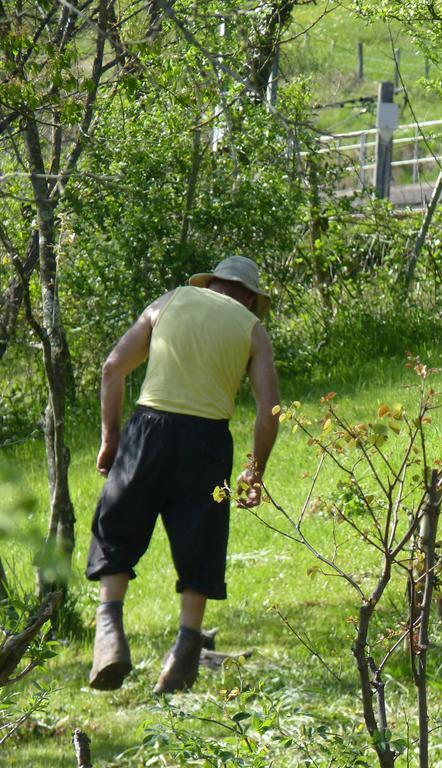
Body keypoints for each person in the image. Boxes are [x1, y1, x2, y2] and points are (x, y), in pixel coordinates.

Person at [85, 256, 280, 693]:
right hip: (208, 443)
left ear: (211, 284)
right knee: (202, 541)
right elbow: (270, 411)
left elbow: (113, 367)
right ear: (249, 296)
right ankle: (184, 654)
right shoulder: (251, 329)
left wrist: (112, 439)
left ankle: (109, 635)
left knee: (117, 524)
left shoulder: (170, 301)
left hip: (149, 429)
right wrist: (256, 470)